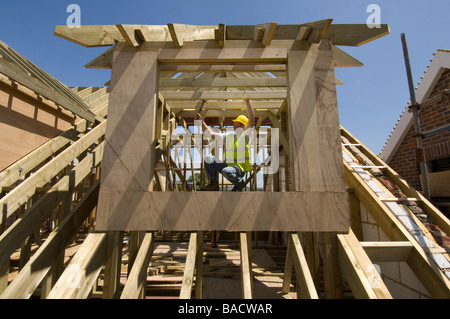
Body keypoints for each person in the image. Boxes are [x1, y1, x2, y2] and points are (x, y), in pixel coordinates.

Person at [195, 98, 255, 191]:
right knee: (208, 159)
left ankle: (240, 183)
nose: (234, 125)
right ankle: (214, 184)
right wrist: (201, 122)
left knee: (225, 171)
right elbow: (211, 134)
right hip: (228, 167)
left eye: (237, 123)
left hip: (239, 170)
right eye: (234, 123)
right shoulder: (228, 137)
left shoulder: (246, 136)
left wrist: (247, 101)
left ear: (244, 126)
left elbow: (251, 118)